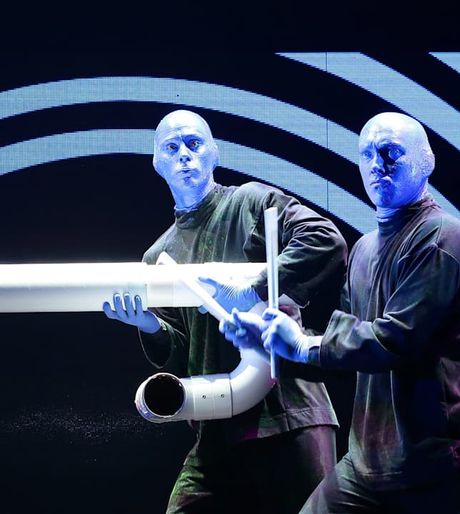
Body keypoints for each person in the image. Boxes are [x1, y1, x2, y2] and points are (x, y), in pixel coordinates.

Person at [223, 113, 460, 513]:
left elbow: (395, 339)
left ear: (427, 161)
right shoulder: (363, 250)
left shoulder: (443, 237)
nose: (377, 164)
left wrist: (305, 345)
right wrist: (272, 343)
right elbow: (346, 358)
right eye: (366, 154)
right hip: (371, 465)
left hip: (448, 465)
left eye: (390, 152)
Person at [103, 110, 348, 513]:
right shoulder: (157, 255)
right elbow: (181, 353)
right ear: (157, 163)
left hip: (286, 414)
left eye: (194, 143)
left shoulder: (249, 202)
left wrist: (254, 288)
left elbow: (323, 238)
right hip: (219, 423)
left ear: (214, 153)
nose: (184, 154)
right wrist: (147, 324)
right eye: (172, 147)